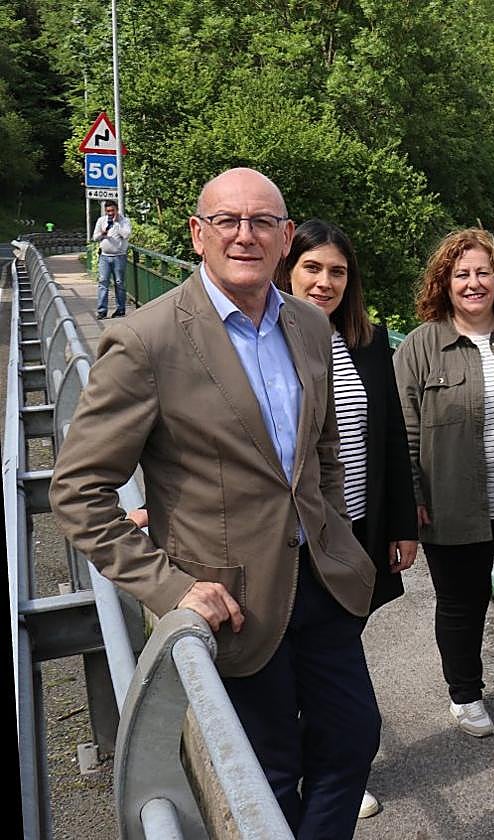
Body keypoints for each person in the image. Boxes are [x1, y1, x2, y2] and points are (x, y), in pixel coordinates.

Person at [50, 168, 381, 840]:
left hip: (322, 583)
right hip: (231, 602)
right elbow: (78, 492)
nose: (244, 235)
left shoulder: (310, 325)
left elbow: (322, 450)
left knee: (353, 739)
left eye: (262, 222)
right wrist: (171, 588)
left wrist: (337, 533)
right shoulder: (148, 340)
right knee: (266, 773)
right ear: (198, 234)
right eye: (227, 221)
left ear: (285, 237)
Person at [276, 218, 419, 820]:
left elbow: (389, 433)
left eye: (337, 271)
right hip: (299, 535)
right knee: (302, 661)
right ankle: (316, 769)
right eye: (312, 268)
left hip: (357, 528)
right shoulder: (268, 338)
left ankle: (336, 765)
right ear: (288, 270)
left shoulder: (367, 340)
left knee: (338, 655)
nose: (324, 282)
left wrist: (402, 524)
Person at [394, 227, 494, 739]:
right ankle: (465, 694)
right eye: (461, 274)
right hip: (452, 505)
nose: (473, 283)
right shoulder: (422, 345)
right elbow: (403, 428)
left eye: (483, 273)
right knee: (460, 605)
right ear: (444, 282)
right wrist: (412, 497)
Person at [92, 199, 132, 318]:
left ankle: (120, 309)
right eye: (108, 211)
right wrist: (103, 234)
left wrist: (116, 224)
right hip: (104, 256)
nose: (110, 213)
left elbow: (127, 235)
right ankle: (102, 311)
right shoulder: (101, 220)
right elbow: (95, 237)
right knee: (103, 282)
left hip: (119, 256)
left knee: (119, 283)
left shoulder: (124, 221)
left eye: (112, 211)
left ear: (117, 210)